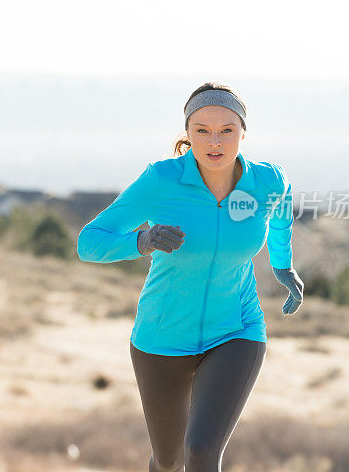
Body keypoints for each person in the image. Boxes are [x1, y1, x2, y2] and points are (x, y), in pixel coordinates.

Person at [76, 81, 305, 472]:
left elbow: (281, 216)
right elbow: (89, 242)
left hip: (236, 330)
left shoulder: (267, 182)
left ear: (243, 133)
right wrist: (142, 241)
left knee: (201, 450)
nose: (214, 142)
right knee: (169, 461)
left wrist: (283, 264)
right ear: (188, 134)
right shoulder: (161, 182)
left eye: (226, 130)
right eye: (202, 130)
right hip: (162, 337)